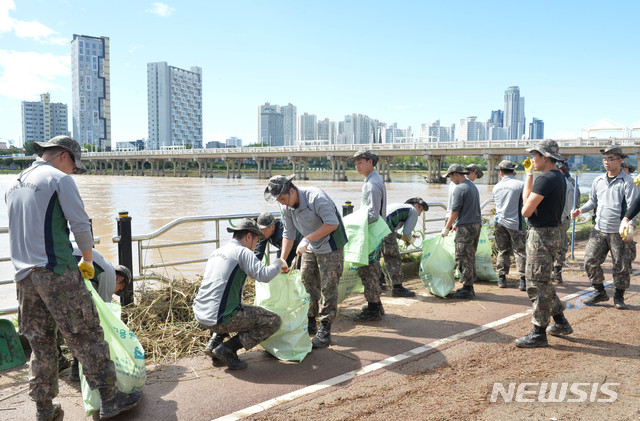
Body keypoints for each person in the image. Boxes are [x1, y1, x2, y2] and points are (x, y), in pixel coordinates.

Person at [5, 136, 141, 420]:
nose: (72, 172)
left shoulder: (15, 182)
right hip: (56, 272)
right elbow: (80, 224)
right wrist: (88, 260)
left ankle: (44, 409)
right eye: (73, 166)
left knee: (40, 343)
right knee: (86, 335)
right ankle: (110, 397)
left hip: (24, 277)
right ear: (64, 156)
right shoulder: (58, 179)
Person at [264, 174, 348, 348]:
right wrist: (283, 260)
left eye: (283, 198)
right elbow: (288, 233)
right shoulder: (286, 207)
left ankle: (325, 328)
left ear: (292, 191)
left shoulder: (316, 198)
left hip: (331, 244)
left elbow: (332, 223)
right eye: (278, 200)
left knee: (328, 286)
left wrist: (308, 238)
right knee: (306, 282)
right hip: (309, 244)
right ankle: (310, 321)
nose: (281, 202)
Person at [193, 219, 288, 370]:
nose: (256, 245)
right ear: (248, 237)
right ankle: (228, 349)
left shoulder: (217, 252)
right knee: (273, 320)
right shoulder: (243, 252)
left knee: (234, 306)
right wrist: (279, 262)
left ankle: (214, 343)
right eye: (257, 240)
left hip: (200, 313)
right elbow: (264, 276)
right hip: (220, 318)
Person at [515, 140, 572, 348]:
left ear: (545, 157)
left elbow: (525, 211)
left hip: (541, 235)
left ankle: (538, 332)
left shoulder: (545, 179)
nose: (532, 160)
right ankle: (560, 322)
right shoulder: (558, 176)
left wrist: (531, 178)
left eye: (535, 156)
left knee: (536, 284)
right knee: (544, 281)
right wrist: (530, 175)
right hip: (553, 233)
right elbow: (529, 201)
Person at [572, 146, 638, 310]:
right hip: (599, 229)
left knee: (621, 265)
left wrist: (629, 223)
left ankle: (619, 297)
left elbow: (633, 206)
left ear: (620, 161)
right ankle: (599, 291)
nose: (606, 162)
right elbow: (593, 201)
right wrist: (580, 209)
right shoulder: (598, 180)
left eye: (611, 159)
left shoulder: (628, 182)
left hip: (619, 231)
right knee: (590, 260)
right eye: (605, 159)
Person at [353, 150, 388, 321]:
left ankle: (373, 309)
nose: (357, 166)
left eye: (360, 162)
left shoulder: (372, 184)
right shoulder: (374, 180)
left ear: (370, 162)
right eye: (355, 163)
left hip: (371, 233)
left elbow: (373, 213)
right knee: (372, 269)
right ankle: (377, 304)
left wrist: (355, 221)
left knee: (368, 271)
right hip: (374, 232)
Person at [442, 164, 482, 299]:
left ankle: (467, 288)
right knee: (470, 255)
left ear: (456, 174)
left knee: (462, 256)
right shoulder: (472, 186)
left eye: (450, 177)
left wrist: (447, 228)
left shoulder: (460, 189)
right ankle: (468, 285)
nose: (450, 180)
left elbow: (455, 211)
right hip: (475, 224)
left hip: (466, 227)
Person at [382, 198, 429, 297]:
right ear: (416, 205)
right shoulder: (413, 211)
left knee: (376, 257)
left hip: (378, 228)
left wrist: (403, 238)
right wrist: (411, 240)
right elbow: (407, 233)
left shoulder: (400, 206)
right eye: (421, 210)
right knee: (393, 258)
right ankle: (397, 288)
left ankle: (378, 283)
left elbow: (394, 230)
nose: (419, 214)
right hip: (385, 230)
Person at [492, 160, 527, 290]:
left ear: (500, 172)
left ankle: (501, 278)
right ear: (514, 171)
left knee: (503, 250)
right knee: (520, 251)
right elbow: (526, 201)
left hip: (499, 222)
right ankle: (523, 280)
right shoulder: (520, 185)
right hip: (516, 222)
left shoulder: (496, 187)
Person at [552, 161, 577, 284]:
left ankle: (554, 272)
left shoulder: (560, 184)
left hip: (557, 220)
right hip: (565, 219)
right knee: (561, 247)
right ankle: (557, 272)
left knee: (553, 246)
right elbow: (574, 203)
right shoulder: (571, 184)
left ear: (560, 171)